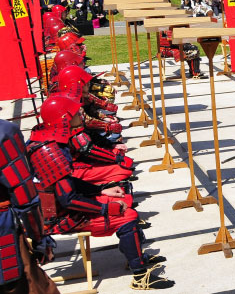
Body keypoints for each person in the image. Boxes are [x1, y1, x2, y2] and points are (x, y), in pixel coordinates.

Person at [27, 96, 173, 290]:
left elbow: (68, 185)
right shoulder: (50, 151)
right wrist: (105, 207)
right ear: (64, 118)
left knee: (124, 199)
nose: (80, 113)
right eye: (74, 112)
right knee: (126, 215)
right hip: (60, 217)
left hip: (63, 206)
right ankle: (140, 275)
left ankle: (137, 255)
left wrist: (101, 189)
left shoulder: (50, 142)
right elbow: (67, 198)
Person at [0, 119, 57, 293]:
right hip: (3, 232)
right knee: (31, 286)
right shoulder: (3, 132)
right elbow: (24, 196)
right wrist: (40, 239)